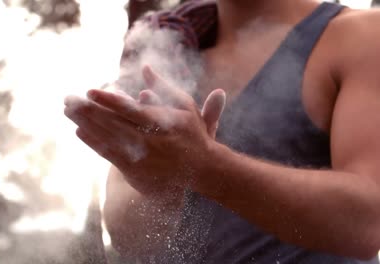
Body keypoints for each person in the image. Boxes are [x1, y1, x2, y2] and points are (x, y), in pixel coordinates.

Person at [64, 0, 380, 263]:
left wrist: (206, 167)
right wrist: (161, 189)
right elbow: (131, 241)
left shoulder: (361, 35)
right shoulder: (168, 46)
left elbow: (368, 223)